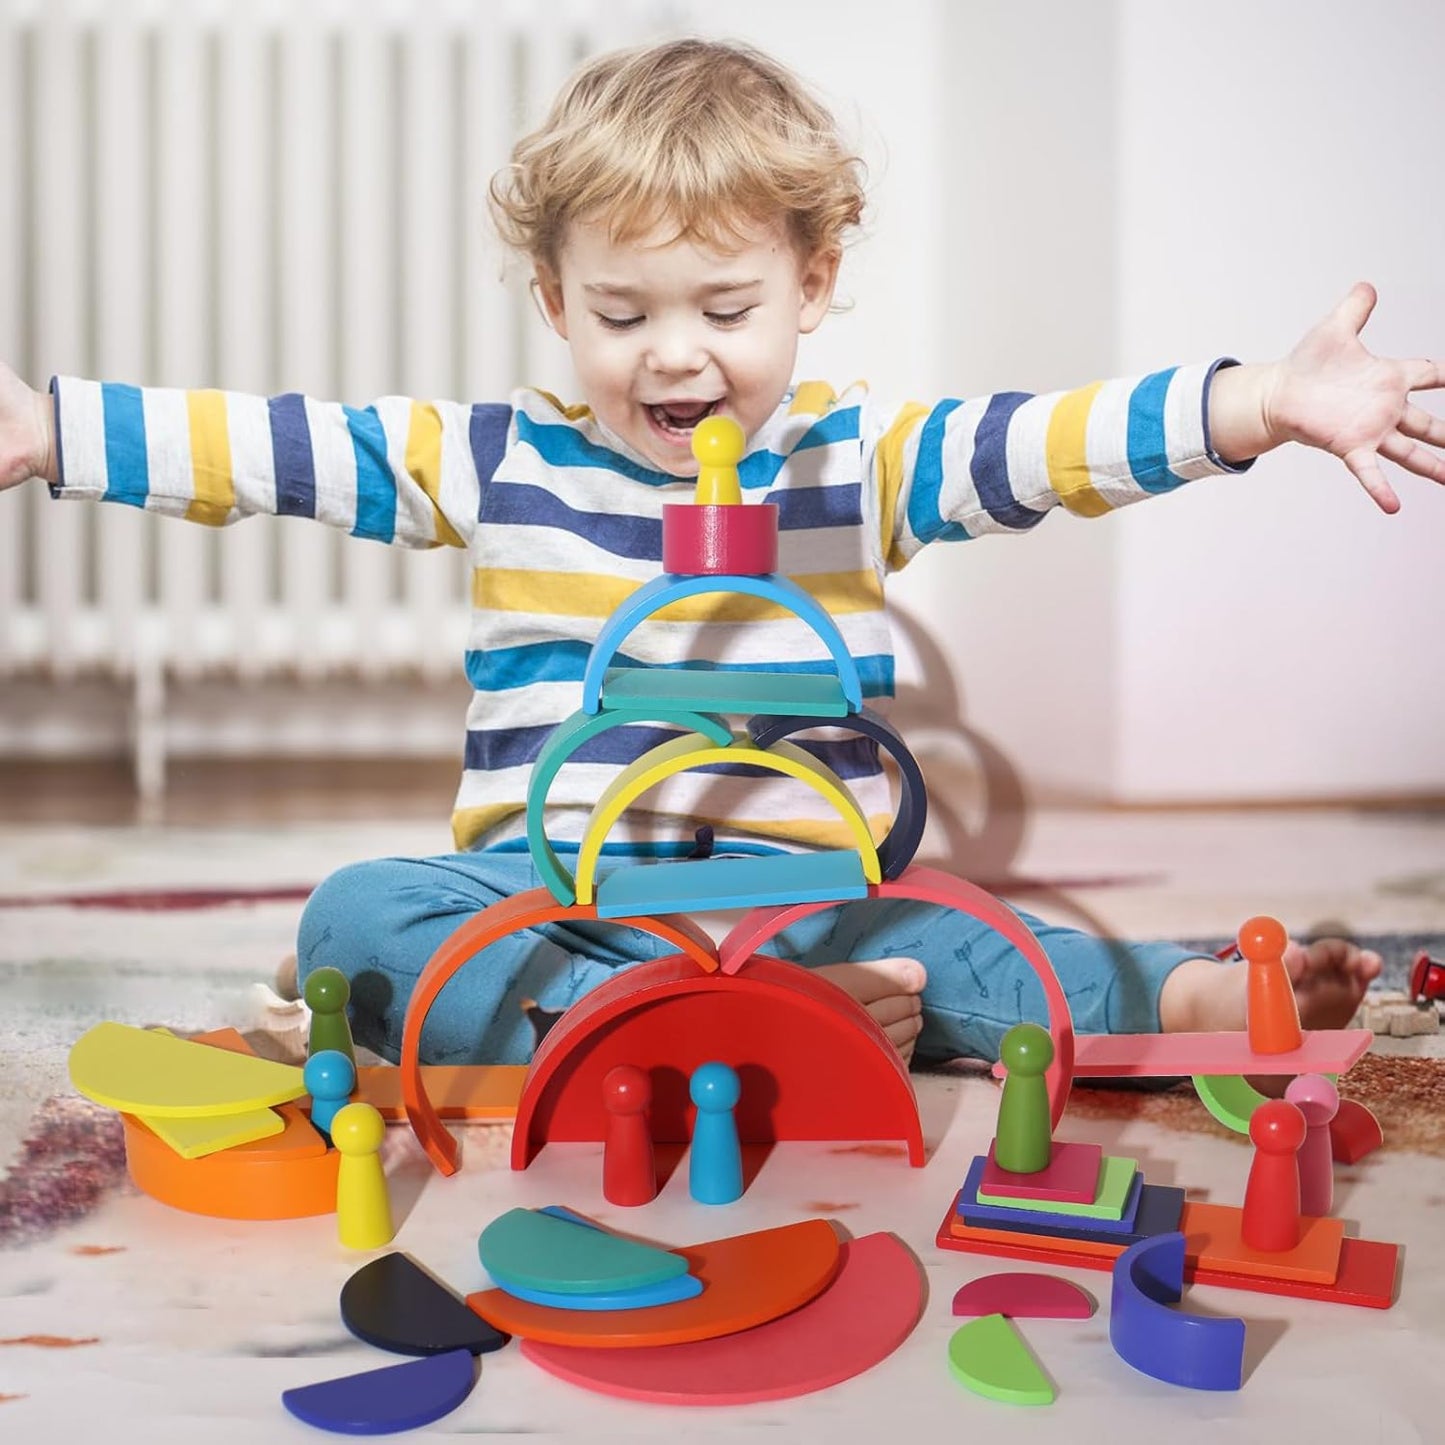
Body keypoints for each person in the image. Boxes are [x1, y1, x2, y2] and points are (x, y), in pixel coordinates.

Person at [2, 36, 1428, 1070]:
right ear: (556, 300)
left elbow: (1052, 441)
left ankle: (1186, 997)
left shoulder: (850, 457)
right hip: (561, 907)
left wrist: (1259, 402)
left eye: (724, 307)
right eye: (621, 314)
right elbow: (273, 448)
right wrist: (52, 429)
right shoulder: (499, 458)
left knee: (973, 950)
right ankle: (649, 1029)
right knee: (358, 920)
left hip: (809, 909)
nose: (673, 353)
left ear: (810, 286)